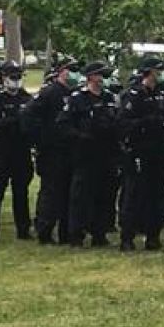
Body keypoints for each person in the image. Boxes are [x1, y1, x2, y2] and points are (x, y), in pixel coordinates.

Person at [57, 61, 120, 247]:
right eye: (100, 75)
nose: (103, 79)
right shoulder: (77, 99)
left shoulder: (109, 98)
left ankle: (99, 233)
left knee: (104, 196)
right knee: (81, 198)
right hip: (85, 155)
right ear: (91, 77)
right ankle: (76, 234)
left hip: (106, 154)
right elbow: (63, 124)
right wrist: (80, 136)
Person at [21, 58, 81, 245]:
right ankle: (44, 231)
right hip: (51, 151)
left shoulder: (73, 94)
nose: (74, 73)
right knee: (51, 192)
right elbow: (28, 115)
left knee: (68, 192)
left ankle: (65, 232)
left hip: (69, 150)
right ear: (61, 71)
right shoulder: (49, 92)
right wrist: (40, 139)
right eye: (70, 70)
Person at [118, 58, 164, 251]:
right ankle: (127, 238)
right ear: (148, 72)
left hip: (157, 151)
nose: (161, 74)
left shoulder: (161, 94)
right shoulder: (134, 95)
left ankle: (153, 236)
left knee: (156, 196)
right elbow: (124, 124)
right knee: (134, 195)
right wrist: (147, 122)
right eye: (158, 71)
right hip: (139, 151)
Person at [0, 61, 33, 242]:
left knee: (21, 193)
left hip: (21, 151)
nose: (16, 81)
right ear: (3, 78)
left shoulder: (26, 98)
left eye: (18, 77)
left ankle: (24, 230)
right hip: (0, 151)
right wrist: (12, 121)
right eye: (13, 77)